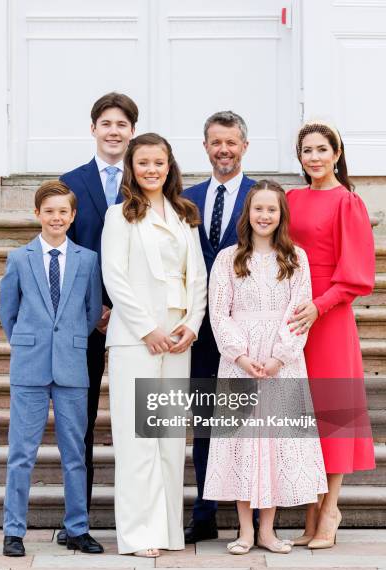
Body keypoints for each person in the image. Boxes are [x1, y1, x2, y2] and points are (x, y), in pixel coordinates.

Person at [203, 180, 328, 554]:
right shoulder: (228, 258)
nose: (264, 216)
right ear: (248, 213)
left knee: (273, 442)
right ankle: (243, 530)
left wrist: (279, 356)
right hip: (240, 361)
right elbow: (218, 312)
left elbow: (299, 312)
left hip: (281, 361)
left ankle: (268, 531)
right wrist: (239, 354)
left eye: (272, 209)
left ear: (281, 215)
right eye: (258, 208)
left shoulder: (295, 258)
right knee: (243, 443)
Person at [101, 133, 207, 557]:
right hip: (136, 340)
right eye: (143, 162)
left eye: (158, 162)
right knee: (137, 438)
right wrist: (148, 330)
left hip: (177, 338)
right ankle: (138, 534)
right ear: (132, 167)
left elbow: (196, 275)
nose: (151, 169)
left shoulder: (184, 214)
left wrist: (192, 325)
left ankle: (167, 531)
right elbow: (115, 277)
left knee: (166, 439)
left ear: (169, 166)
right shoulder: (119, 216)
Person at [0, 180, 104, 556]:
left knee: (74, 452)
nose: (56, 217)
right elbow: (7, 312)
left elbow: (92, 312)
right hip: (30, 365)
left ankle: (77, 528)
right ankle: (14, 531)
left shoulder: (87, 260)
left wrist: (69, 338)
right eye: (50, 211)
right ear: (38, 214)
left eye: (63, 211)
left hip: (73, 364)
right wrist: (29, 341)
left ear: (72, 216)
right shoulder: (19, 259)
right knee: (21, 452)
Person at [287, 120, 376, 548]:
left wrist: (318, 307)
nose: (315, 157)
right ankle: (308, 509)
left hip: (330, 316)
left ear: (337, 154)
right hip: (292, 313)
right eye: (307, 150)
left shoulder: (348, 202)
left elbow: (358, 274)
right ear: (300, 157)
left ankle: (330, 509)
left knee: (332, 413)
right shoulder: (290, 198)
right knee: (302, 412)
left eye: (322, 149)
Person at [56, 92, 139, 545]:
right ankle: (78, 524)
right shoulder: (70, 182)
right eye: (106, 123)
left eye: (122, 124)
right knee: (79, 423)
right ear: (93, 129)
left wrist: (123, 307)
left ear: (131, 131)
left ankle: (142, 515)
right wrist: (94, 307)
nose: (113, 131)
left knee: (138, 418)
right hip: (82, 324)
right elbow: (63, 253)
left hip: (134, 322)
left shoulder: (147, 178)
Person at [182, 111, 256, 544]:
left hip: (247, 328)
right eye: (215, 142)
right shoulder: (186, 198)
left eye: (231, 142)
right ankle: (204, 511)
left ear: (244, 146)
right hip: (198, 329)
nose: (223, 150)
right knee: (204, 420)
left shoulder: (262, 195)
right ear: (206, 146)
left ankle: (257, 512)